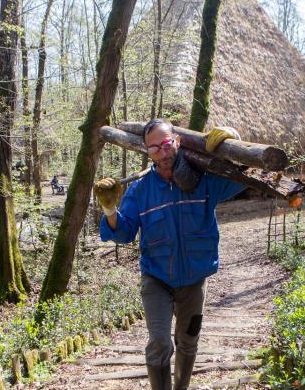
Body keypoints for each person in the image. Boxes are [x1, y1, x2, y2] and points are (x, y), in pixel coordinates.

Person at [94, 119, 246, 390]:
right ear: (146, 151)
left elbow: (240, 178)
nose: (162, 153)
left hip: (194, 280)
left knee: (188, 342)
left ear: (177, 141)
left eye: (166, 145)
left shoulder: (203, 182)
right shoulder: (140, 191)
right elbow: (124, 233)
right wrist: (109, 209)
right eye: (154, 148)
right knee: (160, 343)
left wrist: (230, 142)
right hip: (157, 279)